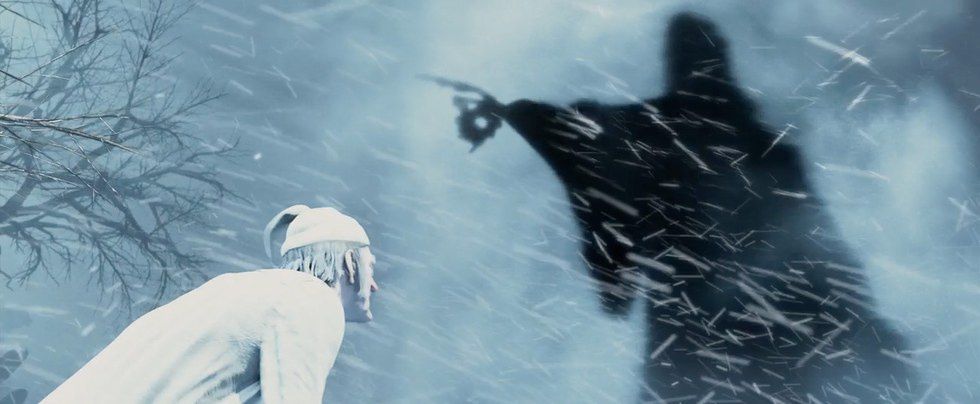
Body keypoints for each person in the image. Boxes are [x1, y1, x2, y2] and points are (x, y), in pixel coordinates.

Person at [42, 205, 379, 403]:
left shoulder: (234, 289)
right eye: (371, 268)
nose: (375, 285)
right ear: (349, 263)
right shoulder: (311, 299)